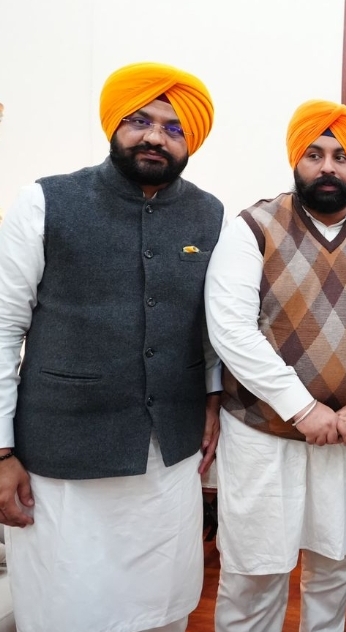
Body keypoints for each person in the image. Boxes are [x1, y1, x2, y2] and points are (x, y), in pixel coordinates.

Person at [0, 61, 221, 632]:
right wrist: (0, 454)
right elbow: (2, 331)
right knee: (67, 608)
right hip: (61, 458)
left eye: (174, 127)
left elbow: (212, 327)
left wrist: (214, 399)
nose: (156, 137)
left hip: (167, 458)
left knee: (162, 608)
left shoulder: (209, 213)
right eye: (140, 120)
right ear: (114, 124)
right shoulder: (44, 201)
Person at [206, 99, 346, 631]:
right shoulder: (253, 228)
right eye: (315, 154)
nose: (328, 167)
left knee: (336, 571)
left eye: (342, 157)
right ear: (296, 161)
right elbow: (232, 329)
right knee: (254, 577)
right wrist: (301, 408)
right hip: (265, 435)